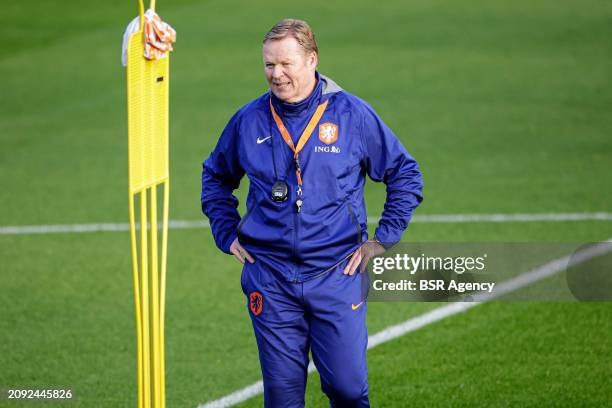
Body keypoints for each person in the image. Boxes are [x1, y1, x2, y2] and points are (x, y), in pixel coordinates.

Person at [201, 18, 423, 408]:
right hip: (270, 277)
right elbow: (216, 176)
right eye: (269, 65)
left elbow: (404, 173)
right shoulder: (248, 120)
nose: (276, 73)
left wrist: (383, 237)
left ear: (312, 60)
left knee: (349, 390)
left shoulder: (352, 115)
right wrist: (226, 232)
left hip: (337, 273)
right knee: (283, 399)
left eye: (286, 63)